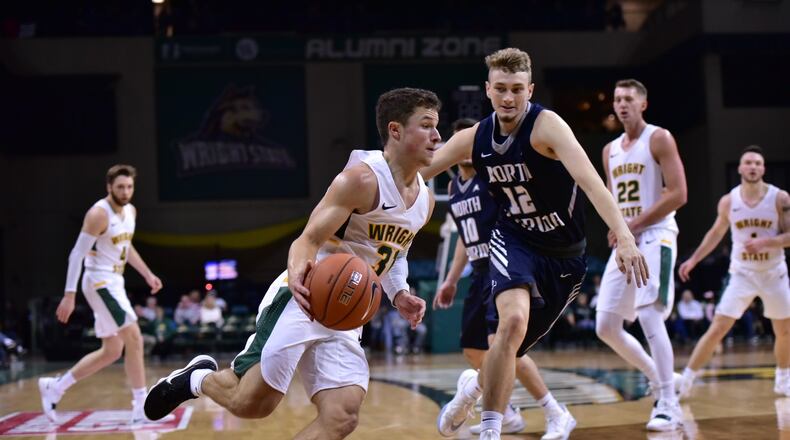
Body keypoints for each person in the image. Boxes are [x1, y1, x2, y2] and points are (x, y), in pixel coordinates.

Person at [143, 87, 438, 440]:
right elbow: (308, 240)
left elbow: (396, 252)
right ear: (395, 130)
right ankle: (197, 378)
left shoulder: (426, 201)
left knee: (342, 416)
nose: (437, 136)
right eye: (426, 125)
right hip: (309, 295)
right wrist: (298, 273)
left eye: (437, 126)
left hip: (347, 310)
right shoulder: (360, 179)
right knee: (251, 404)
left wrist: (399, 292)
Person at [420, 48, 648, 440]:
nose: (508, 97)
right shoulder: (473, 138)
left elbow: (592, 183)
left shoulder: (548, 127)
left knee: (510, 348)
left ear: (530, 90)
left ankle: (470, 391)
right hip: (514, 240)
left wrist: (625, 236)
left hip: (564, 255)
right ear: (488, 90)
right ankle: (491, 429)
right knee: (510, 324)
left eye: (516, 89)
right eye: (501, 89)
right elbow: (417, 171)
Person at [433, 118, 575, 439]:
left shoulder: (491, 178)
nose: (465, 150)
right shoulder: (454, 188)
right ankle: (508, 414)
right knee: (474, 351)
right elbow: (463, 238)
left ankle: (555, 411)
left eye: (470, 143)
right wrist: (452, 279)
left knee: (504, 349)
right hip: (479, 271)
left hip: (505, 267)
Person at [593, 79, 688, 431]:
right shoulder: (609, 150)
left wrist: (631, 224)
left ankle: (669, 404)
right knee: (606, 325)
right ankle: (662, 377)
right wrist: (617, 226)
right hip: (628, 238)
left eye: (629, 99)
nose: (622, 104)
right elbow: (611, 197)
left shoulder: (659, 138)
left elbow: (678, 193)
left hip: (657, 234)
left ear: (643, 104)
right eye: (618, 99)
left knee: (649, 314)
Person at [38, 164, 163, 425]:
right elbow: (77, 254)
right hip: (99, 281)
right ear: (109, 187)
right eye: (120, 187)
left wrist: (147, 274)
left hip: (115, 281)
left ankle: (55, 387)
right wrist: (69, 295)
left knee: (112, 350)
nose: (125, 191)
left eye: (129, 186)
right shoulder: (98, 214)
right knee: (134, 338)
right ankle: (141, 405)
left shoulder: (131, 211)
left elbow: (126, 247)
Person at [677, 145, 790, 398]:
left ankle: (784, 379)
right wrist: (693, 259)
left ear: (763, 168)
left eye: (757, 163)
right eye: (748, 162)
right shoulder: (729, 201)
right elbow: (715, 233)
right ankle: (686, 380)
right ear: (740, 168)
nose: (753, 167)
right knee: (718, 328)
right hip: (742, 274)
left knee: (784, 330)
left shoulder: (780, 198)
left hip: (773, 273)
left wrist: (767, 242)